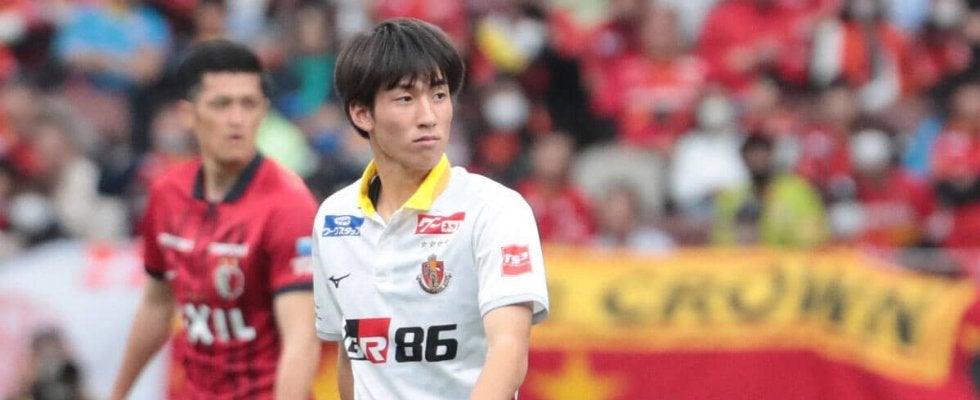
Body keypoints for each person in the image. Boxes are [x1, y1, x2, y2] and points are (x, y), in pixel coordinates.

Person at [311, 18, 550, 399]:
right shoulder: (333, 219)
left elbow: (509, 349)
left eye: (439, 95)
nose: (429, 116)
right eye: (405, 99)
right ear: (361, 114)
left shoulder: (495, 209)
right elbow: (350, 356)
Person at [109, 40, 320, 400]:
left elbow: (301, 341)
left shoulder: (290, 205)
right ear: (188, 114)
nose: (237, 119)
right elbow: (158, 304)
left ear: (263, 112)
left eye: (248, 104)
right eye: (221, 104)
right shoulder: (166, 193)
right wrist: (117, 394)